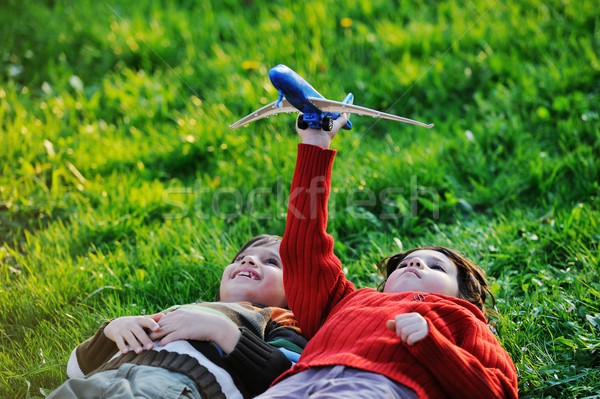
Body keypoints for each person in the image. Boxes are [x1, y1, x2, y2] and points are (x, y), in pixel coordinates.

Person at [256, 116, 519, 398]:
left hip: (379, 386)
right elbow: (305, 252)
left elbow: (497, 391)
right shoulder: (347, 301)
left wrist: (434, 346)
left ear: (464, 295)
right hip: (297, 382)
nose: (416, 263)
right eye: (406, 263)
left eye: (437, 267)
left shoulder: (463, 321)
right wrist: (315, 146)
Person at [48, 234, 307, 399]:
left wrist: (222, 332)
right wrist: (112, 330)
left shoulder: (277, 319)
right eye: (241, 257)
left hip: (176, 385)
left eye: (272, 262)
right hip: (103, 377)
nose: (249, 259)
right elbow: (77, 369)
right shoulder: (191, 309)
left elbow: (290, 378)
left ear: (294, 291)